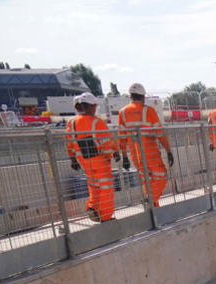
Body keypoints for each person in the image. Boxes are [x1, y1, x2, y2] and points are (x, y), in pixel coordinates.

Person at [64, 92, 118, 222]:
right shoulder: (97, 122)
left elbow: (69, 143)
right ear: (91, 106)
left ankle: (92, 207)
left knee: (94, 186)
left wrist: (73, 159)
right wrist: (110, 155)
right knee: (106, 189)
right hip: (100, 162)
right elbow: (107, 143)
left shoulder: (72, 123)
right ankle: (105, 217)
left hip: (85, 162)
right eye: (94, 106)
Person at [117, 82, 173, 206]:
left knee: (148, 181)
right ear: (143, 97)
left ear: (131, 96)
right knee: (162, 176)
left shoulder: (122, 112)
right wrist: (168, 151)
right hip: (150, 152)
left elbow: (122, 137)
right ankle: (151, 201)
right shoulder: (149, 110)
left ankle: (153, 211)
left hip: (135, 155)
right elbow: (160, 134)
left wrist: (124, 156)